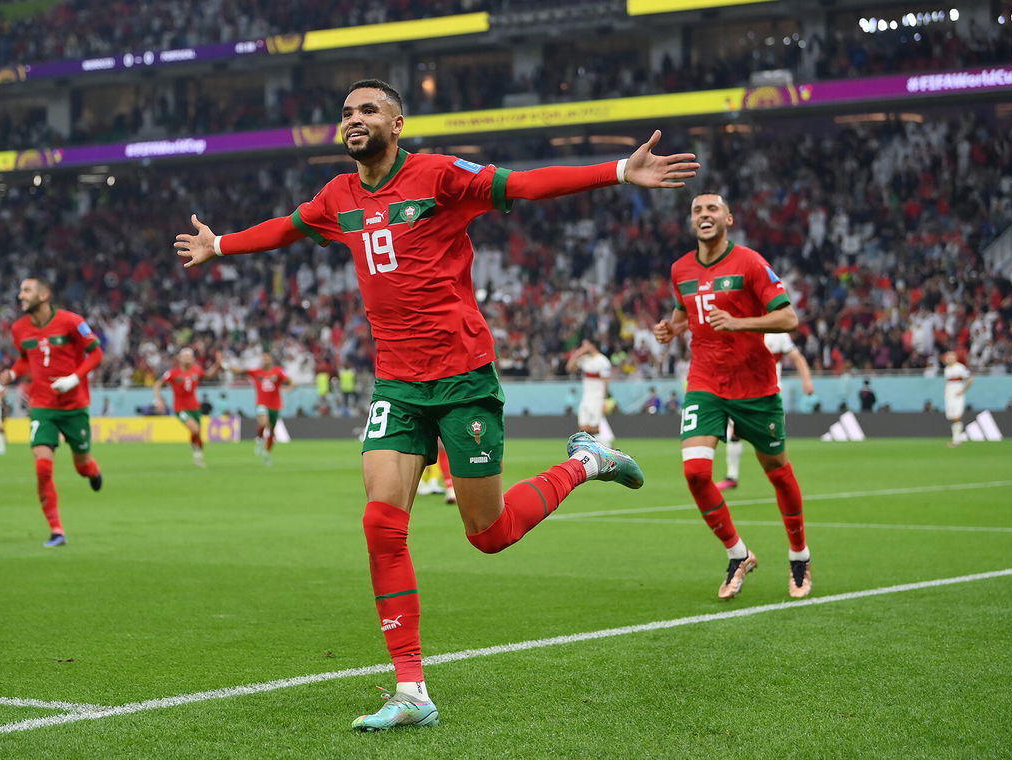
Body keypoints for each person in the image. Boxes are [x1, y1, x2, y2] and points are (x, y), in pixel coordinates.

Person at [175, 79, 695, 731]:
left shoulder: (439, 176)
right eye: (345, 113)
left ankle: (587, 462)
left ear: (398, 122)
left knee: (490, 534)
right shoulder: (338, 198)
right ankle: (412, 690)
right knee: (379, 524)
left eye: (367, 110)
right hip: (396, 385)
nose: (353, 119)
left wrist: (618, 170)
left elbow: (524, 186)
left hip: (462, 377)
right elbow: (287, 229)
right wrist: (219, 245)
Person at [653, 192, 811, 601]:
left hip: (755, 385)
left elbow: (789, 318)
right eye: (697, 211)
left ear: (728, 218)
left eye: (712, 210)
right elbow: (686, 313)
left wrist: (741, 323)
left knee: (777, 471)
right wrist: (673, 330)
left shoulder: (750, 262)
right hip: (705, 381)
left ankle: (799, 554)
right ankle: (737, 554)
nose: (704, 216)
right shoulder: (680, 269)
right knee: (695, 473)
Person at [2, 277, 104, 548]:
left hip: (74, 406)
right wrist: (13, 372)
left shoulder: (72, 321)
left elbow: (96, 354)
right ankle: (56, 530)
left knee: (82, 465)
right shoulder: (19, 328)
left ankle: (92, 471)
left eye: (26, 290)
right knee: (43, 467)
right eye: (20, 290)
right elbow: (26, 358)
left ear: (44, 295)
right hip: (43, 407)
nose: (20, 295)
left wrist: (74, 377)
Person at [717, 330, 815, 491]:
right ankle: (731, 476)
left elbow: (797, 357)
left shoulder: (778, 333)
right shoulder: (743, 328)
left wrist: (807, 381)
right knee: (734, 432)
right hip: (743, 394)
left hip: (769, 397)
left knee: (775, 441)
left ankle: (785, 479)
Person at [153, 347, 217, 467]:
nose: (187, 359)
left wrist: (217, 365)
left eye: (189, 356)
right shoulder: (172, 373)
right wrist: (159, 400)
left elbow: (208, 375)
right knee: (195, 429)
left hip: (195, 407)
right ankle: (197, 453)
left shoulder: (196, 370)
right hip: (180, 408)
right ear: (180, 359)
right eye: (185, 357)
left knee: (197, 432)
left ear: (193, 358)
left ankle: (197, 450)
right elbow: (157, 384)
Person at [243, 352, 291, 466]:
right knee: (264, 423)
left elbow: (289, 380)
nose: (265, 360)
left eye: (267, 358)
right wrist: (226, 366)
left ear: (271, 360)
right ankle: (259, 440)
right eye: (263, 359)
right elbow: (241, 371)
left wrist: (289, 387)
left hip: (275, 405)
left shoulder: (278, 371)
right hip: (261, 403)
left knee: (272, 432)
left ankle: (267, 453)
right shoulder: (257, 372)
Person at [565, 339, 612, 435]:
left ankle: (603, 446)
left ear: (592, 345)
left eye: (585, 345)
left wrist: (604, 399)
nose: (582, 347)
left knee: (595, 426)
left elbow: (605, 381)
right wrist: (577, 354)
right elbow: (569, 368)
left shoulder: (602, 361)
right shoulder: (585, 359)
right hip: (586, 396)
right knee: (583, 426)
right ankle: (588, 448)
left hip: (597, 396)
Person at [943, 350, 973, 447]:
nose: (949, 359)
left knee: (957, 416)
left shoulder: (960, 368)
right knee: (952, 417)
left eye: (951, 357)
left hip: (957, 393)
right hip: (949, 394)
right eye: (948, 357)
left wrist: (963, 391)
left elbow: (970, 379)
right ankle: (956, 439)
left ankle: (956, 440)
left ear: (955, 358)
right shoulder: (947, 369)